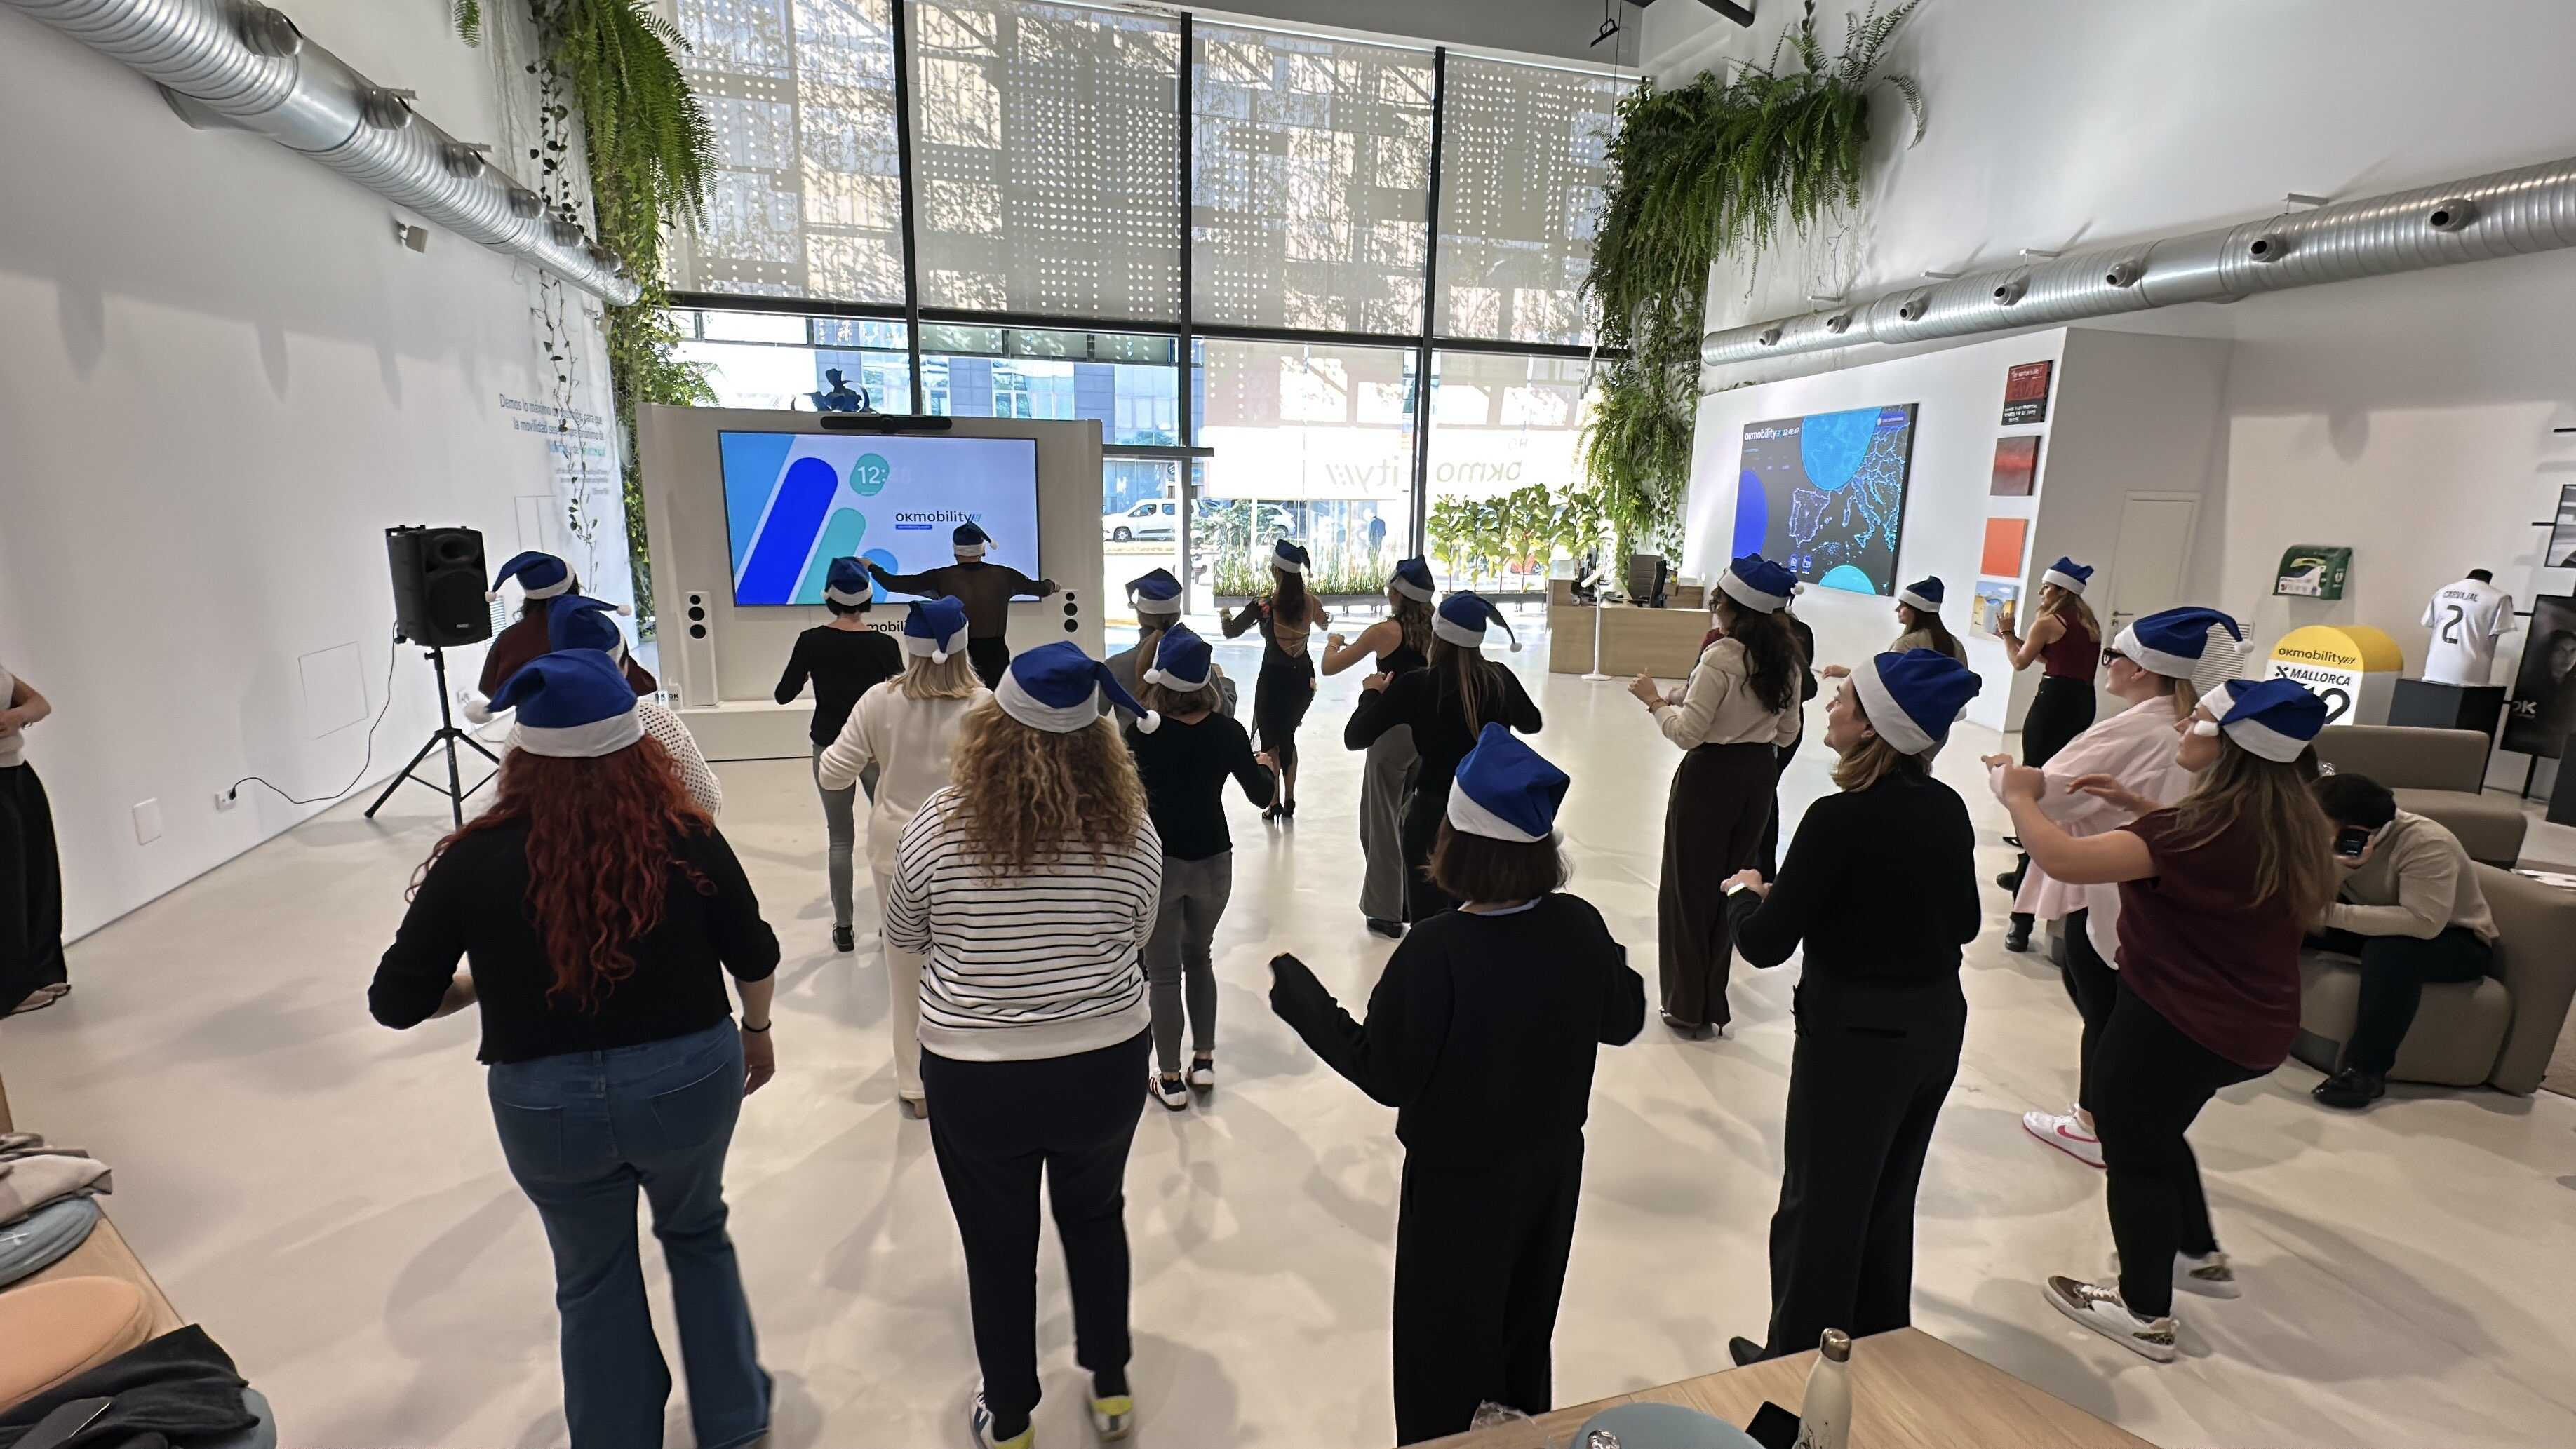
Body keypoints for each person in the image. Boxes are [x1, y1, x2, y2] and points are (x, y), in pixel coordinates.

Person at [368, 649, 779, 1449]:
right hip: (686, 1080)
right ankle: (734, 1419)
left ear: (523, 755)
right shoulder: (686, 837)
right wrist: (757, 1031)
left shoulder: (474, 857)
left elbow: (397, 1001)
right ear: (638, 748)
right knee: (698, 1233)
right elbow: (754, 953)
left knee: (590, 1277)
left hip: (544, 1105)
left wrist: (489, 980)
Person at [1270, 724, 1645, 1444]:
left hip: (1455, 1187)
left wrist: (1306, 1002)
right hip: (1550, 1174)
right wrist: (1600, 948)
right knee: (1523, 1330)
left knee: (1440, 1354)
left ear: (1456, 845)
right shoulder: (1576, 925)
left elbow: (1386, 1072)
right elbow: (1623, 1017)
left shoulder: (1437, 949)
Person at [1999, 678, 2334, 1361]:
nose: (2182, 727)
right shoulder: (2283, 826)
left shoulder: (2186, 833)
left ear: (2232, 747)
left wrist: (2020, 796)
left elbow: (2064, 858)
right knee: (2159, 1128)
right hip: (2253, 1027)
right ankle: (2195, 1249)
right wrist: (2137, 805)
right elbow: (2199, 850)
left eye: (2198, 721)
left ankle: (2143, 1309)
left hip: (2176, 1020)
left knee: (2133, 1149)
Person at [885, 641, 1162, 1449]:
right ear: (1099, 737)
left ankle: (1009, 1414)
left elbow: (905, 930)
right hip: (1105, 1064)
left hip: (977, 1075)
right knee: (1097, 1214)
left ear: (991, 725)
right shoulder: (1130, 826)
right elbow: (1138, 932)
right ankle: (1111, 1384)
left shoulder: (940, 822)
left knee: (997, 1240)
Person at [1719, 648, 1984, 1366]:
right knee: (1888, 1201)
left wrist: (1747, 895)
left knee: (1820, 1212)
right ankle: (1878, 1351)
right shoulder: (1948, 808)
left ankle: (1795, 1367)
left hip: (1856, 1042)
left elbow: (1766, 944)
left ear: (1873, 728)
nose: (1830, 707)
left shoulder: (1836, 818)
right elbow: (1963, 922)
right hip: (1934, 1029)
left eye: (1845, 702)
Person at [2002, 607, 2238, 1168]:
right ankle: (2112, 1117)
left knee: (2105, 1007)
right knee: (2111, 1006)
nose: (2185, 730)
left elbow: (2055, 800)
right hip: (2155, 894)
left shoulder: (2139, 730)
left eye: (2114, 656)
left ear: (2140, 669)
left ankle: (2097, 1122)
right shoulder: (2207, 764)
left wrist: (2010, 786)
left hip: (2120, 884)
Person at [817, 596, 986, 1119]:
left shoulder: (878, 701)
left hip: (897, 851)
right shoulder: (987, 706)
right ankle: (970, 1068)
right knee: (969, 966)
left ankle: (915, 1084)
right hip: (967, 852)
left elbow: (833, 773)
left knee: (904, 968)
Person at [1630, 556, 1803, 1039]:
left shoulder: (1721, 657)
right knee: (1731, 885)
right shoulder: (1786, 661)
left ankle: (1684, 1004)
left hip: (1707, 780)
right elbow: (1787, 733)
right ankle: (1712, 1001)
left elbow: (1687, 734)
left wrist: (1654, 701)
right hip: (1758, 778)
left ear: (1732, 608)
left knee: (1687, 890)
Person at [1125, 624, 1277, 1110]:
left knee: (1163, 971)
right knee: (1200, 956)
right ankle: (1205, 1061)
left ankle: (1170, 1079)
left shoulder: (1141, 734)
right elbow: (1261, 796)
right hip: (1214, 860)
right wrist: (1267, 767)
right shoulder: (1228, 732)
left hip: (1160, 862)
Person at [1346, 592, 1543, 923]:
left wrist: (1370, 694)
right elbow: (1532, 723)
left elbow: (1355, 737)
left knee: (1430, 927)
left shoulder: (1417, 685)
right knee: (1479, 922)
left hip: (1431, 820)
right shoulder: (1499, 678)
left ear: (1436, 636)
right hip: (1486, 819)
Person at [2307, 771, 2497, 1109]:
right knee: (2284, 919)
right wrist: (2344, 868)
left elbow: (2424, 923)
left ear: (2356, 830)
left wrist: (2329, 914)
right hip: (2376, 923)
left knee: (2391, 951)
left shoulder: (2426, 843)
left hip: (2456, 941)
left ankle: (2364, 1073)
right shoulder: (2335, 841)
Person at [775, 558, 904, 951]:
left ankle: (845, 928)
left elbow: (783, 695)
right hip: (875, 748)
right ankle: (892, 922)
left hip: (829, 745)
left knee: (840, 839)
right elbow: (902, 697)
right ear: (867, 599)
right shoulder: (885, 645)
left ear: (829, 598)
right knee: (891, 833)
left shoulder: (810, 641)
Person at [1322, 556, 1437, 936]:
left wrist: (1333, 643)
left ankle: (1386, 911)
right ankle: (1409, 900)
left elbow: (1331, 666)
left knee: (1380, 820)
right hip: (1427, 731)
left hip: (1390, 731)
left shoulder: (1385, 632)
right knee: (1409, 818)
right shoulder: (1437, 629)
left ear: (1398, 593)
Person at [529, 596, 725, 819]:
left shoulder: (526, 733)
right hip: (649, 838)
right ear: (623, 665)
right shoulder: (654, 720)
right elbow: (707, 802)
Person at [1994, 557, 2101, 950]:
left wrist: (2008, 635)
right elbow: (2059, 656)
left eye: (2045, 586)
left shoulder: (2046, 622)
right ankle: (2026, 866)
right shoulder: (2088, 622)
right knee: (2056, 776)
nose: (2040, 592)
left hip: (2054, 702)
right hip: (2083, 702)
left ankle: (2029, 863)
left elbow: (2021, 662)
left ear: (2058, 590)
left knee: (2033, 784)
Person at [866, 523, 1057, 689]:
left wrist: (871, 567)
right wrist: (1053, 586)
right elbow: (1041, 589)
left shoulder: (940, 577)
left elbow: (892, 584)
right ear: (983, 550)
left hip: (957, 657)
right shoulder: (1005, 575)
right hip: (996, 657)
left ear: (955, 551)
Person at [1223, 539, 1332, 821]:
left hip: (1273, 680)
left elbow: (1231, 631)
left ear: (1276, 571)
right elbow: (1324, 623)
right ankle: (1290, 799)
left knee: (1270, 740)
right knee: (1288, 736)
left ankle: (1273, 804)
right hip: (1303, 681)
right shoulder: (1311, 602)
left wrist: (1224, 614)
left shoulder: (1265, 605)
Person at [476, 551, 657, 698]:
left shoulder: (510, 639)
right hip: (602, 724)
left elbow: (490, 689)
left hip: (537, 727)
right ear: (572, 587)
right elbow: (638, 683)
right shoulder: (595, 627)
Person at [0, 659, 63, 1017]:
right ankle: (11, 988)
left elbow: (40, 704)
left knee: (38, 874)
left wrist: (16, 716)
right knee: (7, 886)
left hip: (17, 771)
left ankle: (41, 971)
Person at [1103, 567, 1235, 726]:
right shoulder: (1195, 660)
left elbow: (1091, 716)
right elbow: (1226, 712)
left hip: (1131, 743)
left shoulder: (1115, 666)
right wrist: (1224, 681)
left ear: (1140, 615)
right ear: (1177, 615)